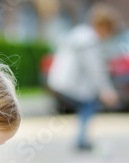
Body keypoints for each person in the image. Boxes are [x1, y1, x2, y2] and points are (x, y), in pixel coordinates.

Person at [47, 3, 119, 151]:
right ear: (103, 27)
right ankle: (81, 140)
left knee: (87, 103)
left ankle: (81, 138)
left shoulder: (80, 33)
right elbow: (94, 69)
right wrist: (106, 90)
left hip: (59, 81)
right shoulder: (89, 40)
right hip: (68, 84)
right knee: (89, 103)